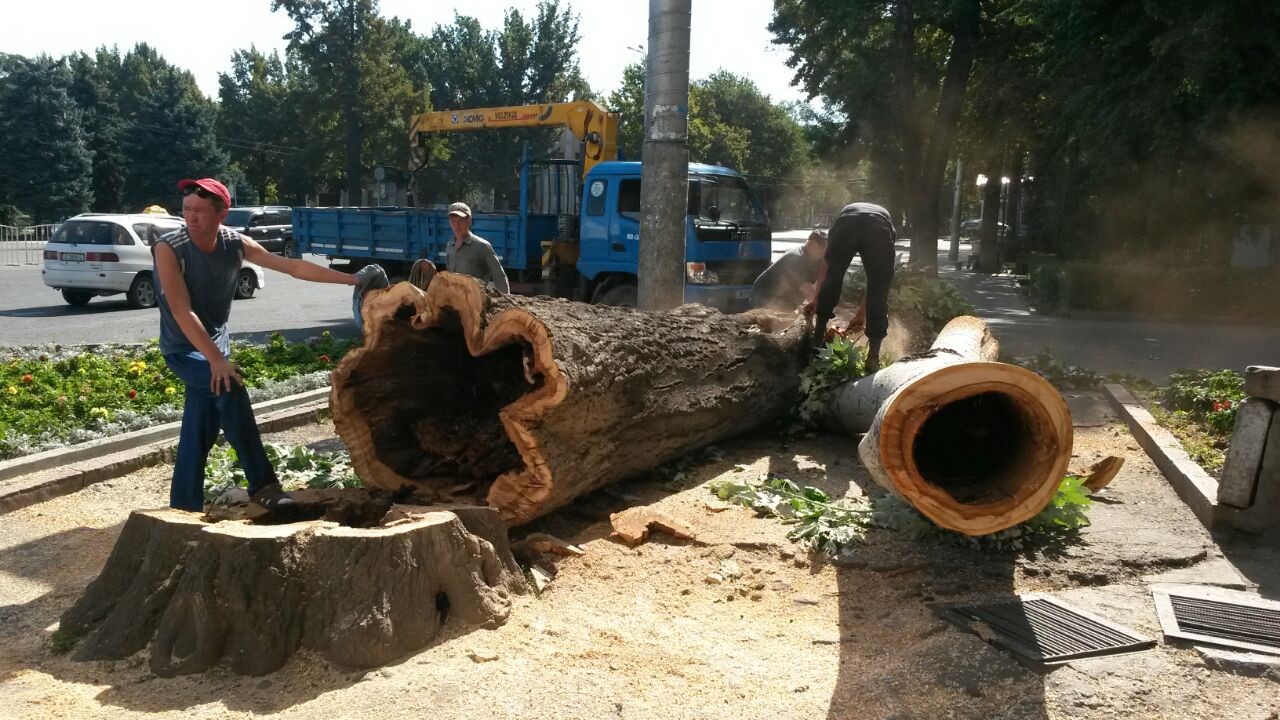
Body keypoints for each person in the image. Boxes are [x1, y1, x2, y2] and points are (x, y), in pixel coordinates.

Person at [153, 178, 384, 512]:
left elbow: (292, 267)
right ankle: (263, 485)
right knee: (230, 388)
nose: (191, 217)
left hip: (216, 344)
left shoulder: (235, 242)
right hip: (184, 348)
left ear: (221, 213)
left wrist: (354, 279)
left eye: (200, 211)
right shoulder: (169, 247)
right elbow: (181, 310)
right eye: (187, 209)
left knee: (198, 430)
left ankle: (182, 505)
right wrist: (217, 360)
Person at [804, 202, 897, 373]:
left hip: (848, 223)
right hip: (878, 227)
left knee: (834, 275)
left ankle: (817, 342)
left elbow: (827, 268)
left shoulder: (844, 217)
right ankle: (873, 359)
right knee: (880, 286)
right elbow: (877, 283)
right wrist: (862, 314)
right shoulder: (886, 224)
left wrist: (818, 300)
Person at [749, 230, 827, 311]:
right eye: (822, 250)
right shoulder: (797, 258)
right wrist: (824, 306)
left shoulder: (816, 257)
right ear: (812, 245)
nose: (824, 254)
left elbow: (820, 282)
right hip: (765, 294)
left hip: (784, 297)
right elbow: (807, 289)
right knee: (773, 320)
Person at [445, 202, 510, 293]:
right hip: (455, 302)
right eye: (453, 221)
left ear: (469, 221)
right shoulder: (450, 246)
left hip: (476, 303)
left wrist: (506, 301)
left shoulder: (482, 246)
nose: (456, 225)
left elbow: (499, 276)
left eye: (460, 221)